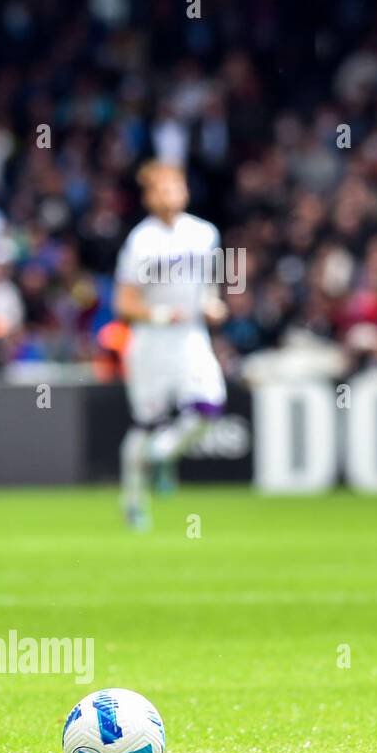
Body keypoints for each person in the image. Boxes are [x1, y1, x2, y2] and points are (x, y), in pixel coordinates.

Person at [114, 160, 228, 530]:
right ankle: (133, 500)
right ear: (149, 196)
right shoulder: (140, 241)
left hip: (192, 337)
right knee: (145, 424)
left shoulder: (205, 234)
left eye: (176, 187)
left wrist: (213, 305)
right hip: (151, 342)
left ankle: (164, 454)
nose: (170, 195)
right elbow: (124, 303)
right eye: (162, 189)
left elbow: (208, 286)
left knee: (210, 405)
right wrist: (161, 315)